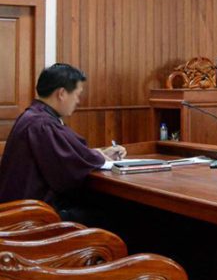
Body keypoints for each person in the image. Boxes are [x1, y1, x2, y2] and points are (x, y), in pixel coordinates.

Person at [0, 64, 125, 218]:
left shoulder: (34, 116)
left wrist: (97, 153)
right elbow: (69, 169)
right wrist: (97, 158)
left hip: (22, 209)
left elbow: (63, 155)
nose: (78, 101)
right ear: (62, 93)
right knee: (118, 212)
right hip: (33, 216)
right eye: (77, 94)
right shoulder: (42, 123)